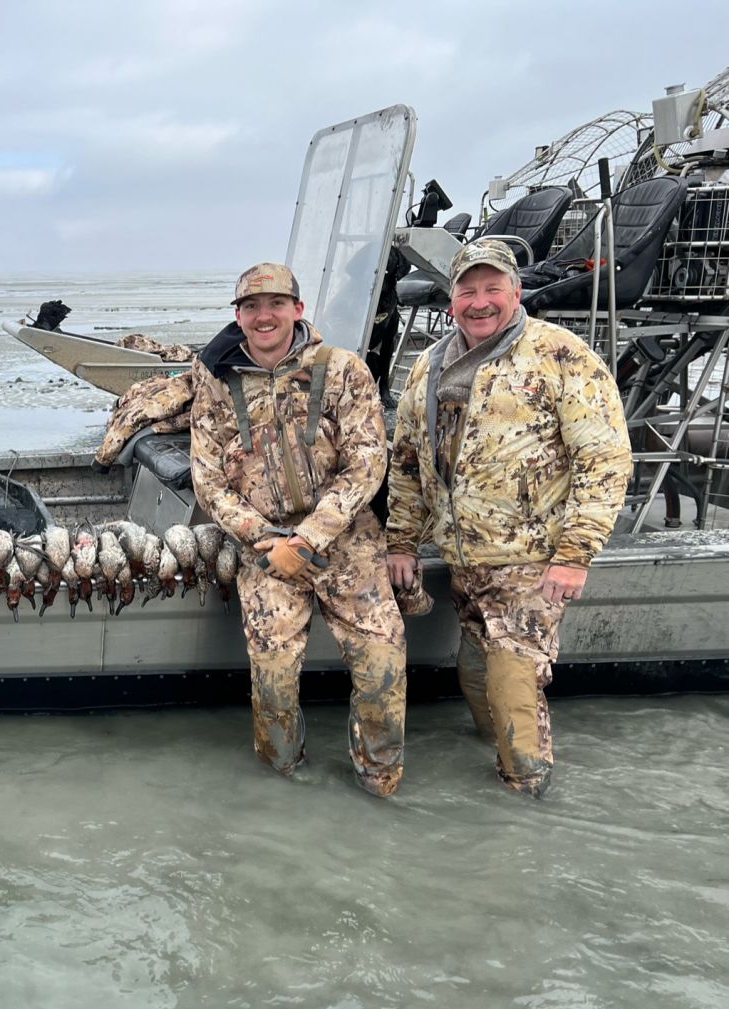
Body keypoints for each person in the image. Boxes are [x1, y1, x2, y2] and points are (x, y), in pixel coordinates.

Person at [386, 239, 632, 797]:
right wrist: (401, 542)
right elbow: (406, 462)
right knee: (476, 678)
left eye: (492, 288)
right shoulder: (431, 363)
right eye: (467, 290)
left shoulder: (560, 355)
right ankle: (492, 803)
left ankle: (529, 803)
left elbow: (606, 459)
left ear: (515, 292)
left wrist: (573, 556)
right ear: (451, 300)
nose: (480, 302)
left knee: (513, 683)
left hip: (531, 562)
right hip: (466, 563)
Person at [189, 263, 406, 796]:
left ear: (298, 309)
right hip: (266, 548)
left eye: (276, 304)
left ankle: (380, 781)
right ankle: (283, 781)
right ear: (238, 317)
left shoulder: (343, 370)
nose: (265, 316)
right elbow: (208, 479)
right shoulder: (217, 381)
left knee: (381, 664)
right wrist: (266, 539)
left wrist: (310, 536)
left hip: (346, 541)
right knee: (273, 675)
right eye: (252, 307)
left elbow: (367, 463)